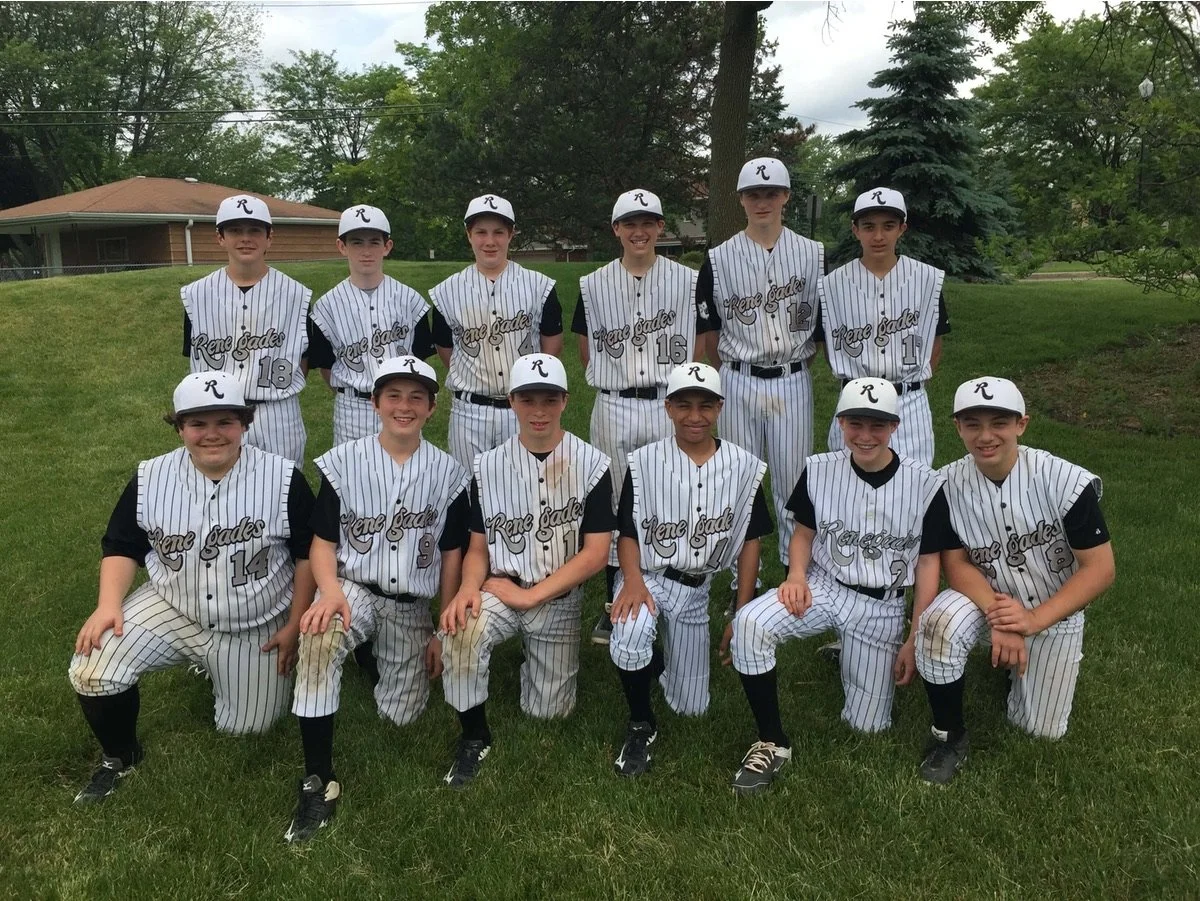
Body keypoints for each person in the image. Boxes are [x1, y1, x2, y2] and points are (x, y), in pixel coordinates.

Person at [69, 372, 315, 804]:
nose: (212, 434)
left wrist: (294, 624)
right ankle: (120, 756)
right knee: (93, 668)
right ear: (179, 427)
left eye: (225, 422)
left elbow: (307, 554)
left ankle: (217, 667)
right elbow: (122, 545)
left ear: (245, 423)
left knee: (246, 728)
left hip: (254, 623)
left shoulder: (282, 479)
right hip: (172, 607)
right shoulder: (150, 477)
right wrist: (108, 604)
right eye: (198, 423)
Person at [727, 378, 952, 795]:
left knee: (867, 726)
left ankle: (851, 648)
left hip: (882, 607)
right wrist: (796, 575)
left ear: (895, 426)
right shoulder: (819, 468)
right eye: (855, 423)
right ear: (841, 423)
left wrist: (914, 636)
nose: (865, 435)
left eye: (878, 425)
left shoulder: (925, 483)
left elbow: (927, 564)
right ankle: (772, 741)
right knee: (750, 624)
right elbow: (804, 534)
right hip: (824, 587)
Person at [283, 356, 469, 842]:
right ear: (375, 402)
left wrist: (440, 628)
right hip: (354, 590)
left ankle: (367, 654)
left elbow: (452, 554)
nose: (404, 406)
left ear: (432, 408)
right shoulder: (344, 461)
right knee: (320, 637)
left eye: (416, 397)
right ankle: (318, 779)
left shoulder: (449, 474)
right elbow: (322, 543)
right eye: (393, 396)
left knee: (400, 716)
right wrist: (328, 593)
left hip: (410, 607)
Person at [913, 377, 1115, 785]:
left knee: (1040, 730)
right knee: (938, 624)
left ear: (1022, 424)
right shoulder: (944, 485)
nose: (985, 436)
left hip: (1052, 611)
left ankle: (1012, 667)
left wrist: (1032, 621)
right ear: (957, 427)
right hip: (983, 601)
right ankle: (949, 735)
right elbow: (956, 564)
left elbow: (1100, 569)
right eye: (972, 424)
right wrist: (1003, 618)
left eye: (999, 423)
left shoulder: (1064, 480)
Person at [438, 353, 614, 788]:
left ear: (565, 401)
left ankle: (532, 658)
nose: (539, 410)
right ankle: (474, 735)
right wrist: (468, 587)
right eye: (528, 399)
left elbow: (596, 554)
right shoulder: (487, 466)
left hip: (557, 599)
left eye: (549, 399)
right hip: (501, 587)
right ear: (512, 401)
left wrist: (532, 596)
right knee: (461, 632)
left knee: (548, 713)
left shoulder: (593, 464)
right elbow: (477, 547)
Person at [608, 363, 772, 776]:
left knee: (691, 707)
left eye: (704, 405)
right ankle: (641, 724)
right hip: (648, 576)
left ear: (719, 408)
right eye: (684, 405)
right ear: (668, 408)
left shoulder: (743, 466)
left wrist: (741, 611)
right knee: (630, 631)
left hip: (697, 590)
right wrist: (631, 581)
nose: (694, 416)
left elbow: (750, 542)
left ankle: (655, 662)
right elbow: (627, 532)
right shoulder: (644, 462)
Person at [574, 188, 708, 646]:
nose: (639, 231)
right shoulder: (592, 284)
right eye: (629, 223)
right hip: (613, 403)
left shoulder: (688, 281)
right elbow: (585, 348)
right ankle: (615, 600)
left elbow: (702, 343)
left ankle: (671, 595)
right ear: (616, 229)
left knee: (669, 499)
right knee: (613, 501)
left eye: (647, 222)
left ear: (660, 227)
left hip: (667, 402)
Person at [696, 157, 824, 584]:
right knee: (739, 482)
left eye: (771, 193)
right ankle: (743, 581)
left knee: (793, 482)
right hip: (737, 379)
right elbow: (710, 331)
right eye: (754, 194)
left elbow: (821, 326)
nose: (762, 201)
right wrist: (729, 371)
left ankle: (795, 575)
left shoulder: (812, 255)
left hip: (792, 379)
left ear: (785, 196)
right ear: (741, 200)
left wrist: (796, 364)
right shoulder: (718, 259)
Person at [428, 194, 564, 471]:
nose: (490, 241)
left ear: (511, 234)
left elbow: (551, 344)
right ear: (469, 235)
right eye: (481, 232)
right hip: (469, 412)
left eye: (499, 232)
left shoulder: (539, 286)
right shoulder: (446, 292)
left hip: (523, 409)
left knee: (525, 485)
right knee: (469, 488)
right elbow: (446, 350)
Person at [818, 187, 951, 467]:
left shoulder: (927, 279)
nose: (878, 236)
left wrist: (913, 383)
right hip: (854, 402)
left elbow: (935, 343)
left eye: (888, 226)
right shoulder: (831, 285)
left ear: (902, 228)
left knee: (914, 482)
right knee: (847, 482)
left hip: (909, 402)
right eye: (869, 226)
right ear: (855, 230)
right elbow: (828, 346)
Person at [181, 195, 313, 465]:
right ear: (220, 237)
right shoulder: (195, 295)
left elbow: (305, 358)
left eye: (254, 230)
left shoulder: (297, 295)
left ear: (269, 237)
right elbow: (192, 353)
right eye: (235, 230)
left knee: (284, 485)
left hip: (278, 414)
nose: (245, 238)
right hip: (218, 414)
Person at [307, 205, 435, 447]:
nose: (366, 251)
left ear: (387, 246)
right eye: (357, 242)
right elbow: (326, 366)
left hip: (402, 406)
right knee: (351, 469)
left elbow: (419, 359)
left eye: (374, 242)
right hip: (352, 409)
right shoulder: (326, 306)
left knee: (406, 467)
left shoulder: (410, 300)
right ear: (341, 246)